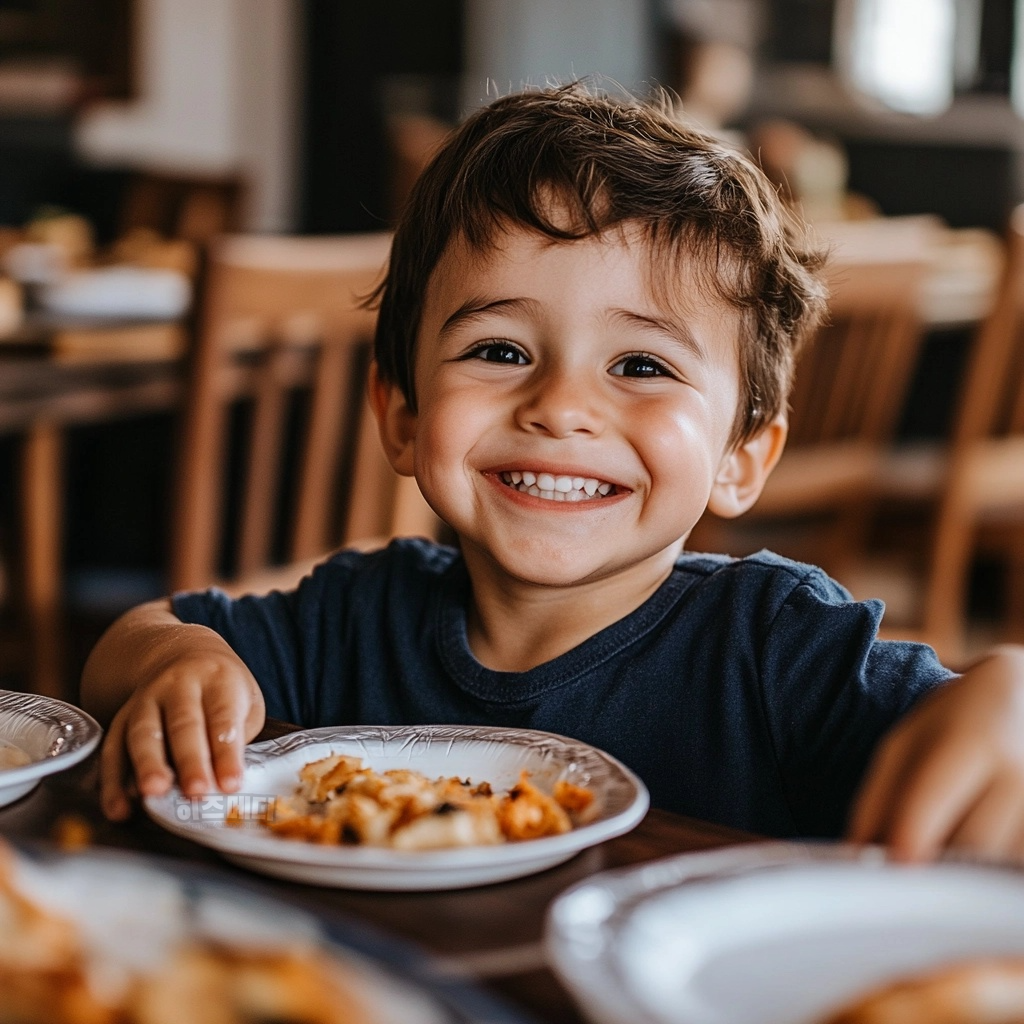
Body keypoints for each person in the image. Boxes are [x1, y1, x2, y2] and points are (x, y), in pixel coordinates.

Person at [82, 83, 1024, 860]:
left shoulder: (777, 650)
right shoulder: (357, 614)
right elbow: (136, 638)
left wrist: (1006, 697)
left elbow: (977, 744)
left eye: (641, 366)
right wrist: (176, 660)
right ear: (402, 418)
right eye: (498, 350)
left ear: (742, 460)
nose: (561, 407)